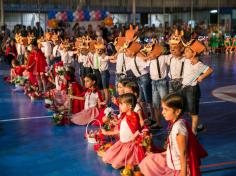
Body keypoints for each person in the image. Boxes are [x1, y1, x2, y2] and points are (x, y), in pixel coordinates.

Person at [139, 93, 208, 176]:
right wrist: (160, 154)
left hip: (178, 169)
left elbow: (183, 153)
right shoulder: (174, 123)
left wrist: (183, 174)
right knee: (148, 161)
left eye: (166, 109)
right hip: (172, 164)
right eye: (162, 109)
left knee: (148, 164)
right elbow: (172, 148)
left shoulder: (179, 128)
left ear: (177, 111)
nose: (162, 112)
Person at [102, 93, 145, 169]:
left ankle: (130, 159)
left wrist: (134, 137)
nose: (119, 106)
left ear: (129, 106)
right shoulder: (124, 115)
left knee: (115, 165)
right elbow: (120, 131)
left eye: (121, 104)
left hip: (130, 145)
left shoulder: (134, 117)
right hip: (122, 143)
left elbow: (138, 130)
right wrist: (107, 133)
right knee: (105, 158)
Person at [182, 39, 213, 135]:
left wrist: (201, 77)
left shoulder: (199, 65)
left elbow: (210, 70)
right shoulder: (187, 60)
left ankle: (194, 131)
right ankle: (199, 126)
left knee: (193, 112)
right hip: (185, 87)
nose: (185, 53)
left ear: (194, 53)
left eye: (187, 51)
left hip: (192, 89)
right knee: (189, 111)